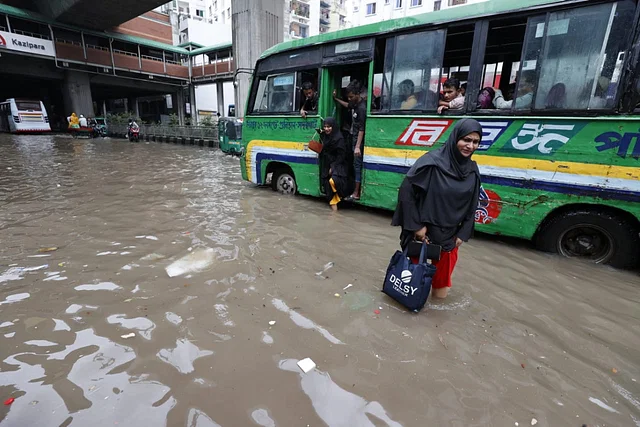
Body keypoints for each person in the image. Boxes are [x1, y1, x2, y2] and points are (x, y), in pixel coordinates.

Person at [391, 119, 482, 299]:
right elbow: (406, 193)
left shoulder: (472, 170)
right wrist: (417, 226)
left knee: (441, 287)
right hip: (423, 235)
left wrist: (462, 234)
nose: (470, 146)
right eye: (466, 140)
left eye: (475, 142)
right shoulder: (431, 162)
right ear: (455, 138)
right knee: (412, 283)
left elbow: (473, 204)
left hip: (450, 237)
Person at [333, 80, 366, 200]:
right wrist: (336, 99)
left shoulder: (362, 108)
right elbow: (347, 105)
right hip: (353, 138)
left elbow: (362, 129)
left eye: (351, 97)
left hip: (358, 140)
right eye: (349, 97)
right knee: (352, 164)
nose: (350, 99)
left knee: (357, 166)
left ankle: (356, 193)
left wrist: (357, 146)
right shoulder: (355, 103)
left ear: (358, 94)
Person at [320, 117, 351, 211]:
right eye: (325, 127)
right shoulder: (326, 136)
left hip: (339, 164)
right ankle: (335, 215)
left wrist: (333, 167)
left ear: (333, 127)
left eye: (329, 127)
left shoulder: (339, 139)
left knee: (333, 181)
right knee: (328, 188)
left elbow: (341, 156)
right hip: (328, 163)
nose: (326, 129)